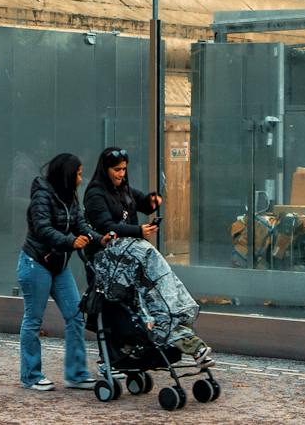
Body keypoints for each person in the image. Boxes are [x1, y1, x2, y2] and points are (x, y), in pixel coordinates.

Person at [83, 145, 210, 364]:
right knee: (143, 300)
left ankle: (180, 336)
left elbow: (140, 202)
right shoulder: (96, 194)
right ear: (105, 170)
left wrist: (152, 201)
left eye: (124, 169)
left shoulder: (123, 189)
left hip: (131, 256)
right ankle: (171, 339)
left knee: (157, 293)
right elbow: (105, 225)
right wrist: (138, 231)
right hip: (112, 261)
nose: (121, 174)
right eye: (117, 170)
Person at [17, 153, 104, 392]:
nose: (80, 177)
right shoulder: (42, 195)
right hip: (36, 263)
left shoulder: (69, 196)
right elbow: (42, 229)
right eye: (77, 173)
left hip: (59, 264)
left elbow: (80, 223)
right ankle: (31, 375)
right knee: (33, 320)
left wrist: (100, 238)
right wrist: (71, 242)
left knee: (75, 315)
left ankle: (76, 374)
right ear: (66, 175)